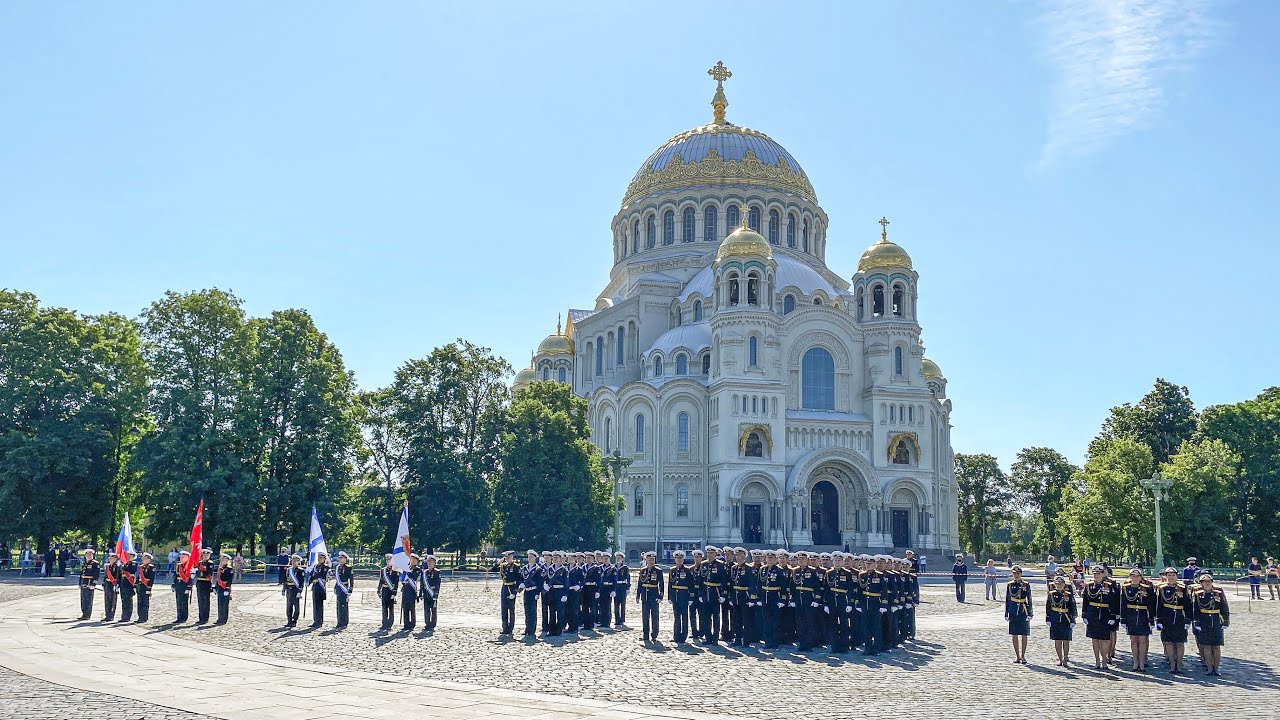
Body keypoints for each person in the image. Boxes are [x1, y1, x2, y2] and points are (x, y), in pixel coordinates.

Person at [1156, 567, 1192, 674]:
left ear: (1177, 576)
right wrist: (1158, 620)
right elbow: (1159, 605)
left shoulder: (1183, 588)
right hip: (1167, 617)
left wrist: (1188, 620)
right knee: (1169, 642)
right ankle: (1172, 664)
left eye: (1173, 575)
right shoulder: (1161, 588)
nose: (1171, 577)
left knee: (1180, 643)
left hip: (1180, 617)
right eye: (1169, 575)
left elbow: (1188, 605)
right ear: (1165, 576)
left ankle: (1179, 664)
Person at [1193, 572, 1229, 675]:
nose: (1207, 583)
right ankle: (1209, 667)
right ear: (1201, 583)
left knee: (1216, 646)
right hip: (1204, 620)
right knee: (1206, 646)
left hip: (1216, 620)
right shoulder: (1197, 593)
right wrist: (1197, 622)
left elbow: (1224, 606)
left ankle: (1216, 668)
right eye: (1205, 582)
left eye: (1209, 581)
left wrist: (1225, 621)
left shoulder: (1218, 592)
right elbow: (1195, 609)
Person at [1082, 566, 1119, 668]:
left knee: (1105, 639)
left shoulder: (1109, 585)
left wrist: (1113, 616)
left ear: (1103, 574)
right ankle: (1097, 661)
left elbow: (1113, 601)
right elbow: (1085, 601)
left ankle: (1104, 660)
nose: (1096, 576)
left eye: (1098, 574)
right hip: (1092, 614)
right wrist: (1084, 615)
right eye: (1095, 574)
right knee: (1095, 639)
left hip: (1105, 614)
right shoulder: (1089, 586)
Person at [1120, 568, 1156, 671]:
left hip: (1143, 615)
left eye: (1137, 576)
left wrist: (1151, 619)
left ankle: (1142, 662)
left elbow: (1151, 604)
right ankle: (1135, 662)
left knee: (1142, 640)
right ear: (1130, 577)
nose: (1135, 578)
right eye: (1133, 576)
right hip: (1131, 616)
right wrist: (1123, 619)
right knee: (1133, 641)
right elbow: (1123, 604)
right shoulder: (1126, 588)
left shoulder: (1147, 588)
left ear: (1141, 577)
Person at [1045, 575, 1076, 667]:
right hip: (1055, 618)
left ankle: (1066, 657)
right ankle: (1060, 658)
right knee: (1057, 640)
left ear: (1064, 584)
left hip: (1065, 618)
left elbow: (1072, 607)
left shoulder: (1068, 595)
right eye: (1057, 584)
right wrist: (1048, 618)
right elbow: (1048, 607)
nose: (1059, 585)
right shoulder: (1051, 594)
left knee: (1066, 640)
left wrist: (1073, 620)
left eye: (1061, 584)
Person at [636, 551, 663, 644]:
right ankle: (645, 635)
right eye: (649, 559)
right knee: (645, 616)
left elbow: (661, 584)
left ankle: (654, 634)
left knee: (655, 616)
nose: (651, 561)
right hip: (645, 596)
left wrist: (661, 596)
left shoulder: (658, 571)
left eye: (653, 559)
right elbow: (640, 584)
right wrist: (638, 595)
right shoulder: (643, 570)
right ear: (646, 560)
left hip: (654, 595)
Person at [667, 550, 692, 644]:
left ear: (683, 559)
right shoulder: (672, 570)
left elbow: (691, 584)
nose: (679, 560)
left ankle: (683, 637)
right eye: (677, 558)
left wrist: (691, 597)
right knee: (676, 617)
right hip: (675, 597)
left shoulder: (687, 570)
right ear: (675, 559)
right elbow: (670, 584)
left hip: (684, 596)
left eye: (681, 558)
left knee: (684, 617)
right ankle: (676, 635)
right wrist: (669, 597)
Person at [518, 550, 542, 639]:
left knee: (532, 611)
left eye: (531, 557)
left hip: (533, 591)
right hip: (527, 591)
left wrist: (537, 593)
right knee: (527, 611)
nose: (530, 559)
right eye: (528, 557)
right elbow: (521, 578)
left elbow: (539, 582)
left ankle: (532, 629)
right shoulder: (525, 568)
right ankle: (527, 628)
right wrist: (521, 584)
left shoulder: (538, 569)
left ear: (535, 558)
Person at [376, 553, 398, 631]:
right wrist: (378, 589)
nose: (388, 561)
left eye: (390, 560)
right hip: (384, 590)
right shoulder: (383, 570)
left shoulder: (395, 570)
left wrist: (394, 593)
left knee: (390, 608)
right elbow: (381, 580)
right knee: (384, 608)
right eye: (387, 560)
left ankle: (390, 624)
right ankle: (384, 623)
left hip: (390, 590)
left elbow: (396, 582)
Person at [308, 551, 330, 628]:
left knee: (319, 605)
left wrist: (314, 576)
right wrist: (309, 581)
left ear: (324, 559)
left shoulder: (326, 567)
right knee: (315, 605)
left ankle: (319, 621)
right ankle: (315, 620)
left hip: (321, 588)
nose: (319, 559)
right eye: (318, 558)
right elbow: (311, 575)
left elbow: (320, 575)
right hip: (315, 587)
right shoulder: (315, 567)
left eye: (321, 558)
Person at [419, 554, 440, 632]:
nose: (429, 563)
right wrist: (420, 594)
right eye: (428, 562)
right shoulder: (424, 573)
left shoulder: (437, 572)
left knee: (433, 610)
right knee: (426, 609)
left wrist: (436, 594)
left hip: (433, 593)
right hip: (426, 593)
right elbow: (422, 584)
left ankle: (432, 624)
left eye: (431, 562)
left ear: (434, 563)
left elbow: (438, 584)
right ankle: (427, 624)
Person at [77, 549, 100, 621]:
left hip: (89, 583)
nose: (88, 556)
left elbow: (96, 575)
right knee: (83, 599)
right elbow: (82, 574)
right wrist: (80, 583)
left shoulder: (95, 564)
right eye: (87, 555)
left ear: (92, 555)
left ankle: (87, 614)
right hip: (84, 583)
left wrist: (94, 583)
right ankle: (84, 613)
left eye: (90, 555)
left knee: (88, 599)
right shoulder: (85, 563)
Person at [333, 551, 352, 629]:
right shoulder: (337, 568)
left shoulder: (348, 568)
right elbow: (337, 580)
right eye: (339, 558)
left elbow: (351, 580)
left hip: (345, 588)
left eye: (341, 558)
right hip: (339, 588)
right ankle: (339, 622)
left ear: (345, 559)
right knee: (338, 606)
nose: (340, 559)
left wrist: (350, 590)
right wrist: (335, 587)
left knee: (344, 606)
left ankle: (344, 622)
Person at [401, 553, 421, 631]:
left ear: (417, 561)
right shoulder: (406, 569)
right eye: (411, 559)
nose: (412, 561)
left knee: (412, 608)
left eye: (414, 560)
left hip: (412, 591)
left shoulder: (417, 570)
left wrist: (407, 570)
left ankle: (412, 624)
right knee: (405, 608)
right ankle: (406, 624)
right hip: (406, 590)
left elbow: (414, 576)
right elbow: (402, 578)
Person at [283, 554, 304, 627]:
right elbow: (285, 580)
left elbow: (301, 582)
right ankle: (289, 621)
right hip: (289, 589)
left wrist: (300, 591)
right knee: (289, 607)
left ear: (298, 562)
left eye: (296, 561)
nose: (294, 562)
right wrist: (284, 589)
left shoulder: (300, 571)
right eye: (293, 561)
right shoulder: (289, 570)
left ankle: (294, 620)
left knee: (296, 608)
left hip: (295, 589)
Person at [195, 548, 215, 624]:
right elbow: (198, 574)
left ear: (209, 556)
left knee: (205, 601)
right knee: (200, 601)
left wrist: (202, 570)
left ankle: (205, 618)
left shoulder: (210, 564)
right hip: (200, 583)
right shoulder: (200, 563)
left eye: (207, 555)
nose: (205, 556)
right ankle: (201, 617)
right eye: (204, 555)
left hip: (206, 583)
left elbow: (209, 573)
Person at [172, 549, 192, 623]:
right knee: (179, 601)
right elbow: (175, 575)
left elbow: (190, 578)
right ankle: (179, 617)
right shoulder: (179, 566)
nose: (181, 558)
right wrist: (174, 584)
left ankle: (184, 617)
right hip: (178, 584)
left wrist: (189, 587)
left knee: (184, 602)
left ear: (187, 558)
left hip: (184, 585)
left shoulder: (189, 566)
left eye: (183, 557)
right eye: (181, 557)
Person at [119, 550, 138, 622]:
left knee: (128, 601)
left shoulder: (134, 564)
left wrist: (124, 565)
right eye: (128, 556)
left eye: (130, 556)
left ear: (133, 557)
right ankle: (124, 615)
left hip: (129, 584)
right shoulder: (125, 564)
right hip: (123, 583)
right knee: (123, 600)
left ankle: (127, 616)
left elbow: (130, 570)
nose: (128, 557)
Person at [136, 552, 155, 623]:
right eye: (142, 558)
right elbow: (138, 577)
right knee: (139, 602)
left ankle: (144, 617)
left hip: (146, 586)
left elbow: (151, 579)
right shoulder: (141, 567)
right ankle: (140, 616)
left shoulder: (151, 567)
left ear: (149, 559)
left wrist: (149, 588)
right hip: (140, 586)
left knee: (144, 602)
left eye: (145, 558)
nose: (143, 560)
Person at [215, 552, 234, 625]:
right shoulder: (220, 569)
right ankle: (220, 618)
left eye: (224, 560)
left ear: (227, 561)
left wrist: (227, 589)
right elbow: (218, 579)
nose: (222, 561)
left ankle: (223, 619)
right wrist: (216, 587)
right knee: (220, 604)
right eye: (222, 559)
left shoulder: (229, 569)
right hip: (220, 587)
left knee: (224, 605)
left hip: (225, 587)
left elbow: (230, 580)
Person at [612, 551, 630, 627]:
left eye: (619, 558)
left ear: (622, 559)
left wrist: (628, 587)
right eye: (617, 558)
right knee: (616, 604)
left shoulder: (625, 568)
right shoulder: (613, 567)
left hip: (622, 586)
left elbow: (628, 578)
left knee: (622, 604)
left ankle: (622, 619)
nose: (618, 559)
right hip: (616, 586)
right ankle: (617, 620)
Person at [101, 553, 121, 621]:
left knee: (112, 600)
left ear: (115, 559)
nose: (110, 559)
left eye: (112, 558)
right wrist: (104, 583)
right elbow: (105, 576)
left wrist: (117, 585)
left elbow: (118, 577)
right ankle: (107, 615)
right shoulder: (108, 566)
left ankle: (111, 615)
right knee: (107, 600)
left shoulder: (117, 567)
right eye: (110, 558)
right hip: (107, 584)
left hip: (113, 584)